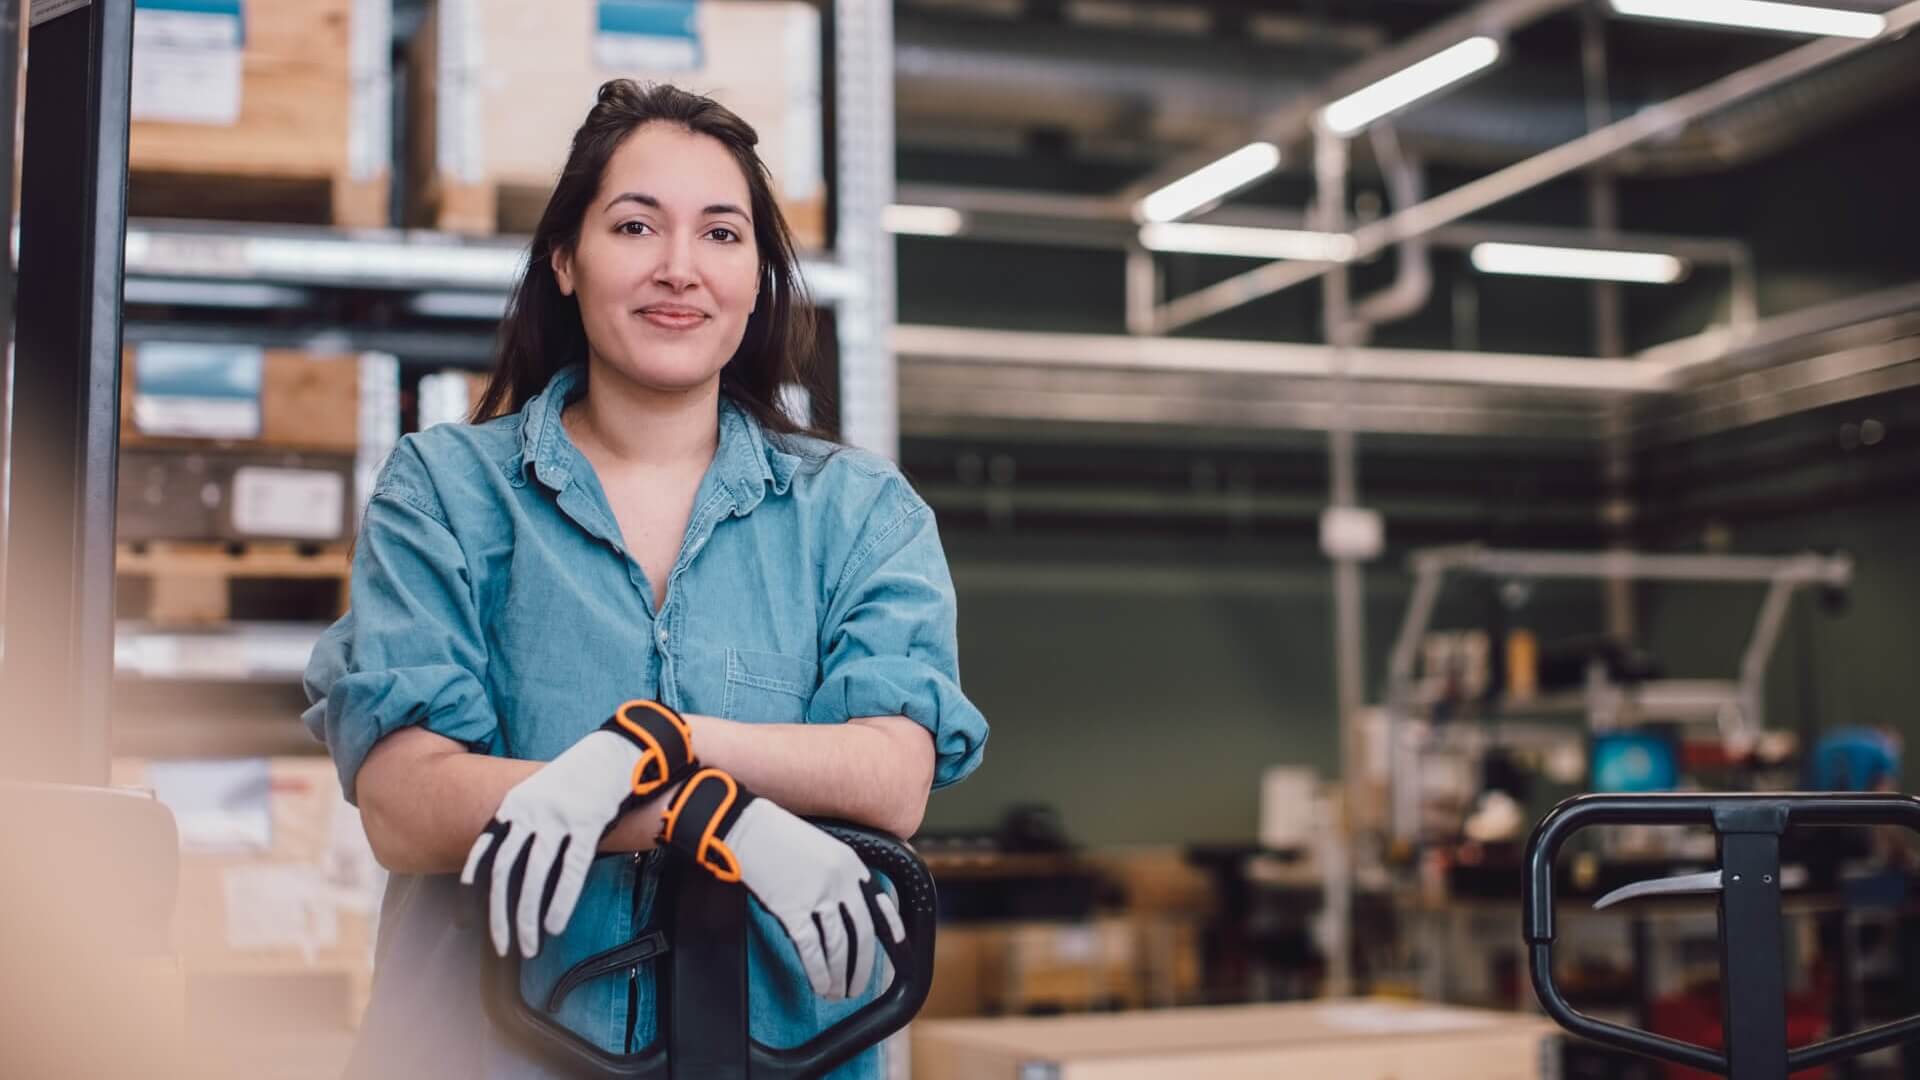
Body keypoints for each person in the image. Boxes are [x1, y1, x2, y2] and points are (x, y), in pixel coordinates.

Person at [302, 80, 989, 1079]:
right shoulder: (446, 493)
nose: (680, 269)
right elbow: (407, 805)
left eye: (721, 235)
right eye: (635, 226)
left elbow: (890, 773)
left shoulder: (859, 515)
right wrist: (706, 815)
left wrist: (658, 745)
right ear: (565, 259)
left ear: (758, 280)